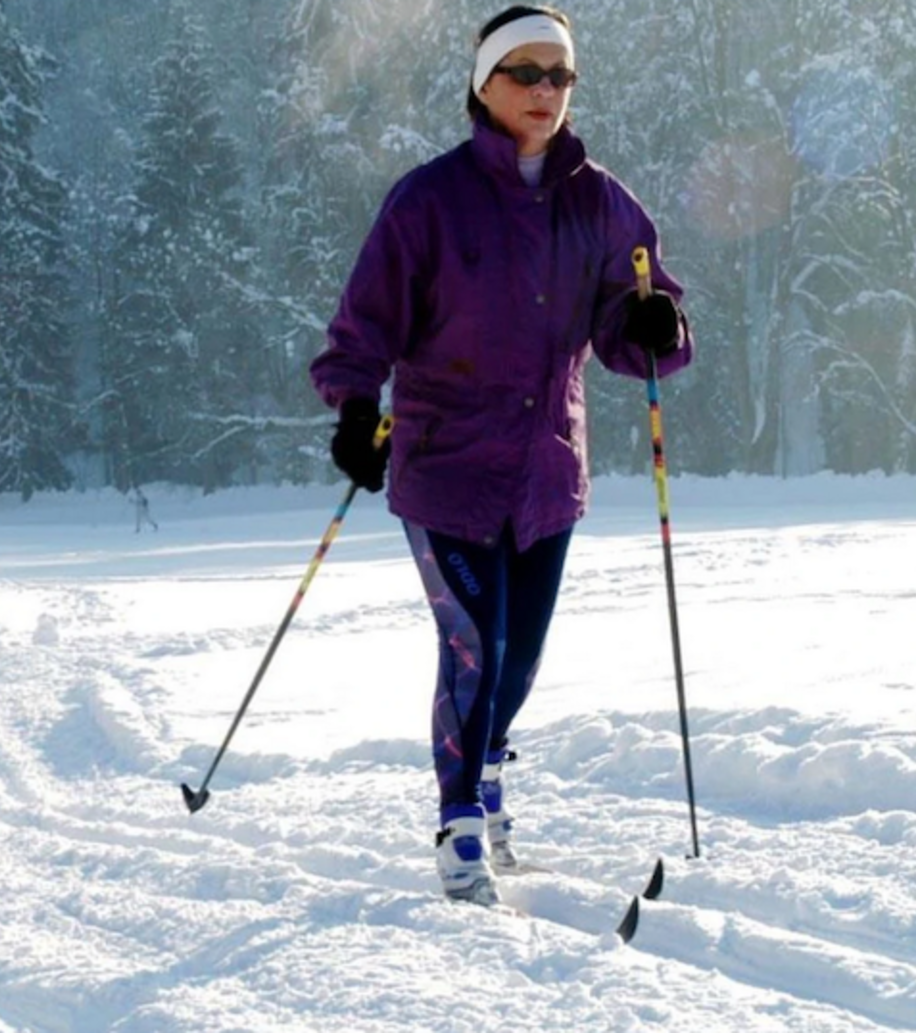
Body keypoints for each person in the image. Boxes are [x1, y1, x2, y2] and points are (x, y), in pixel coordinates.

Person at [309, 5, 694, 905]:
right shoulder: (428, 200)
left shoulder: (600, 201)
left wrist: (654, 322)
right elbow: (363, 326)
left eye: (560, 76)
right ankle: (460, 826)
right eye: (525, 73)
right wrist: (357, 407)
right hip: (446, 468)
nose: (544, 92)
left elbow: (639, 317)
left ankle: (486, 778)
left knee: (517, 659)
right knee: (474, 642)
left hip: (546, 473)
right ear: (483, 83)